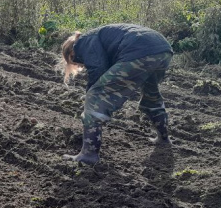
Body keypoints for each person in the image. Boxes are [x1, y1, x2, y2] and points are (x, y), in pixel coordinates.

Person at [59, 23, 174, 165]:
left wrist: (90, 94)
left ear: (71, 54)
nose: (81, 66)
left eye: (77, 63)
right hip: (163, 50)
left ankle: (89, 155)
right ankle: (163, 138)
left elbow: (98, 68)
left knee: (95, 96)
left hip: (139, 51)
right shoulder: (98, 35)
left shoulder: (82, 43)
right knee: (151, 94)